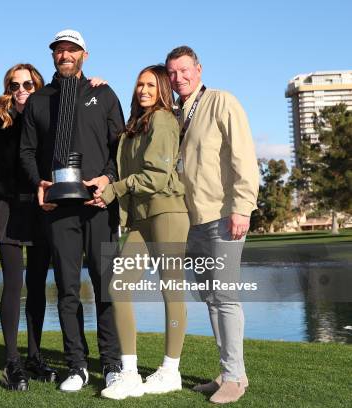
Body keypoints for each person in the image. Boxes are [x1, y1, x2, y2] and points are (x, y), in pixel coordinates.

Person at [0, 64, 107, 391]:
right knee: (13, 285)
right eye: (14, 84)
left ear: (38, 86)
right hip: (12, 209)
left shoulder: (46, 115)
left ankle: (34, 357)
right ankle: (12, 362)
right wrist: (31, 190)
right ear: (7, 88)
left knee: (38, 287)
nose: (21, 89)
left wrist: (92, 84)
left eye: (27, 83)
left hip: (44, 210)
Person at [20, 29, 123, 392]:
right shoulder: (39, 100)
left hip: (97, 205)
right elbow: (27, 151)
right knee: (67, 289)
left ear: (84, 54)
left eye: (72, 50)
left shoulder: (103, 93)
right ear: (53, 56)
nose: (65, 55)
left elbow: (119, 146)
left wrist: (108, 179)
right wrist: (39, 183)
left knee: (105, 287)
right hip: (58, 208)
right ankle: (77, 366)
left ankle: (112, 364)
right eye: (60, 50)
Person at [166, 46, 259, 404]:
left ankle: (235, 378)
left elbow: (244, 157)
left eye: (185, 70)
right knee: (210, 297)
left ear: (199, 69)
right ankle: (228, 371)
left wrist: (243, 208)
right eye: (172, 73)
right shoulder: (175, 112)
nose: (179, 78)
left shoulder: (222, 102)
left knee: (225, 296)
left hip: (223, 216)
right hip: (190, 221)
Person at [96, 65, 190, 399]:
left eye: (150, 84)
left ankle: (170, 370)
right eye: (139, 84)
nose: (143, 90)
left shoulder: (163, 119)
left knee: (171, 290)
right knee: (119, 286)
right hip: (139, 217)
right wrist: (98, 86)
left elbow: (157, 176)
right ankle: (130, 372)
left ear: (163, 88)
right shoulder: (137, 125)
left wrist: (114, 190)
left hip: (167, 211)